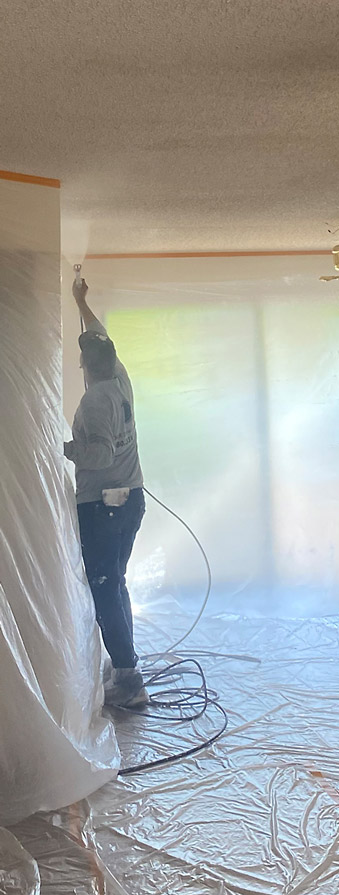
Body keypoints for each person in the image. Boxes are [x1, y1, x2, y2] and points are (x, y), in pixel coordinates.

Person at [64, 278, 147, 708]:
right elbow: (100, 336)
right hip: (130, 500)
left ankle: (129, 680)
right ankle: (126, 667)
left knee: (104, 586)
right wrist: (81, 302)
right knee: (115, 582)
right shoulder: (120, 376)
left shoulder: (96, 400)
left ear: (85, 366)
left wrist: (62, 449)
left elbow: (98, 454)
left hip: (104, 507)